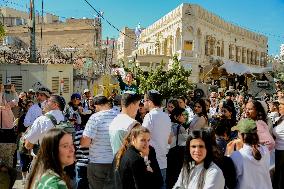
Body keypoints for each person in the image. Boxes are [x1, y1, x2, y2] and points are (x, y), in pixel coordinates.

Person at [80, 95, 118, 189]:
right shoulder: (118, 116)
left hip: (98, 162)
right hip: (116, 162)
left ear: (97, 105)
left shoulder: (95, 117)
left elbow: (85, 142)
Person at [228, 119, 272, 189]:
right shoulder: (265, 149)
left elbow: (230, 178)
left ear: (241, 135)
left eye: (238, 132)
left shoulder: (237, 156)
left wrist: (228, 153)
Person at [142, 90, 172, 189]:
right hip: (163, 160)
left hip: (151, 162)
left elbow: (143, 138)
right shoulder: (166, 117)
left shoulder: (149, 116)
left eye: (145, 100)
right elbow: (169, 139)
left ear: (150, 101)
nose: (144, 102)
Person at [166, 107, 188, 189]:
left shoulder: (169, 125)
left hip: (169, 154)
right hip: (178, 156)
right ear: (176, 117)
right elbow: (188, 140)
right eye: (182, 115)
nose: (184, 117)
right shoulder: (180, 128)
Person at [272, 97, 284, 189]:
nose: (279, 106)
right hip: (277, 150)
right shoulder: (280, 117)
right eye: (279, 104)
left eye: (282, 104)